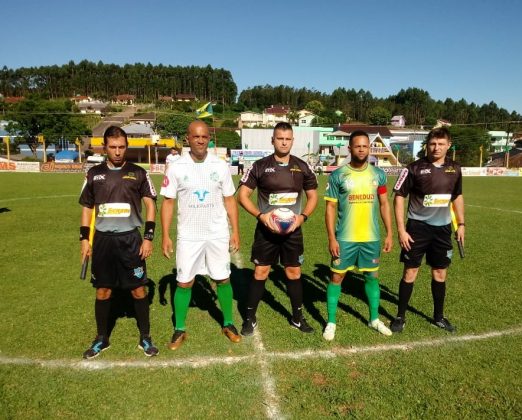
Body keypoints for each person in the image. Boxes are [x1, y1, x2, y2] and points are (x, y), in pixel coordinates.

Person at [160, 120, 241, 350]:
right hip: (189, 235)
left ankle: (228, 323)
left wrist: (235, 231)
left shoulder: (220, 165)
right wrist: (165, 235)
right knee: (184, 282)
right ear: (187, 138)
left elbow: (229, 199)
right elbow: (168, 202)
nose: (200, 140)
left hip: (217, 233)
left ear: (209, 139)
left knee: (223, 278)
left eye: (205, 136)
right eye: (196, 136)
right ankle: (180, 328)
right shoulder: (176, 167)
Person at [79, 126, 159, 359]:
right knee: (103, 290)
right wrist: (84, 239)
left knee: (138, 289)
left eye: (121, 147)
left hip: (130, 240)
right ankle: (101, 338)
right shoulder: (94, 174)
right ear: (104, 147)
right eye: (112, 147)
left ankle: (145, 337)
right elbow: (87, 208)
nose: (117, 152)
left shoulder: (138, 173)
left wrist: (148, 237)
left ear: (127, 147)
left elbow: (150, 204)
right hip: (103, 241)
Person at [238, 122, 318, 336]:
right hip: (266, 231)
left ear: (292, 141)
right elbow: (242, 196)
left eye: (287, 139)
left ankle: (297, 318)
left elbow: (313, 196)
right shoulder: (260, 166)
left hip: (293, 231)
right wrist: (261, 216)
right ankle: (249, 318)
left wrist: (302, 218)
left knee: (294, 272)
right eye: (280, 138)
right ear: (272, 140)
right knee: (261, 271)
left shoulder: (302, 166)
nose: (284, 142)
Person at [390, 126, 465, 333]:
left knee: (440, 272)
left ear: (448, 145)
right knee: (410, 271)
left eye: (441, 144)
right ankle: (400, 316)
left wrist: (461, 224)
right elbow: (398, 197)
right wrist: (401, 230)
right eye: (432, 144)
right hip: (417, 229)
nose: (436, 148)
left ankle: (438, 317)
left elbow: (457, 196)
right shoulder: (412, 168)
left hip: (442, 230)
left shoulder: (455, 169)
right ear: (427, 145)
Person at [323, 130, 393, 341]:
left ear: (368, 148)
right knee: (337, 277)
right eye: (357, 146)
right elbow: (330, 208)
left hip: (371, 237)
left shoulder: (378, 175)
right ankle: (331, 322)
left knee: (372, 276)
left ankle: (374, 319)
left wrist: (390, 233)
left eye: (365, 146)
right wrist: (332, 238)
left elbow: (384, 204)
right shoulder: (338, 175)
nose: (362, 149)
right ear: (350, 148)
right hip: (345, 238)